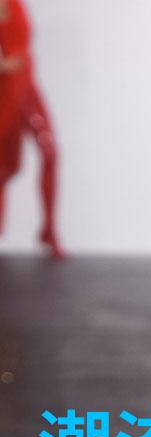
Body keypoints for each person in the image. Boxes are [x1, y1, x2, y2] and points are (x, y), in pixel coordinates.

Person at [0, 0, 63, 258]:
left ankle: (49, 229)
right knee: (7, 166)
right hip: (8, 89)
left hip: (26, 85)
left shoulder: (16, 4)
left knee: (50, 152)